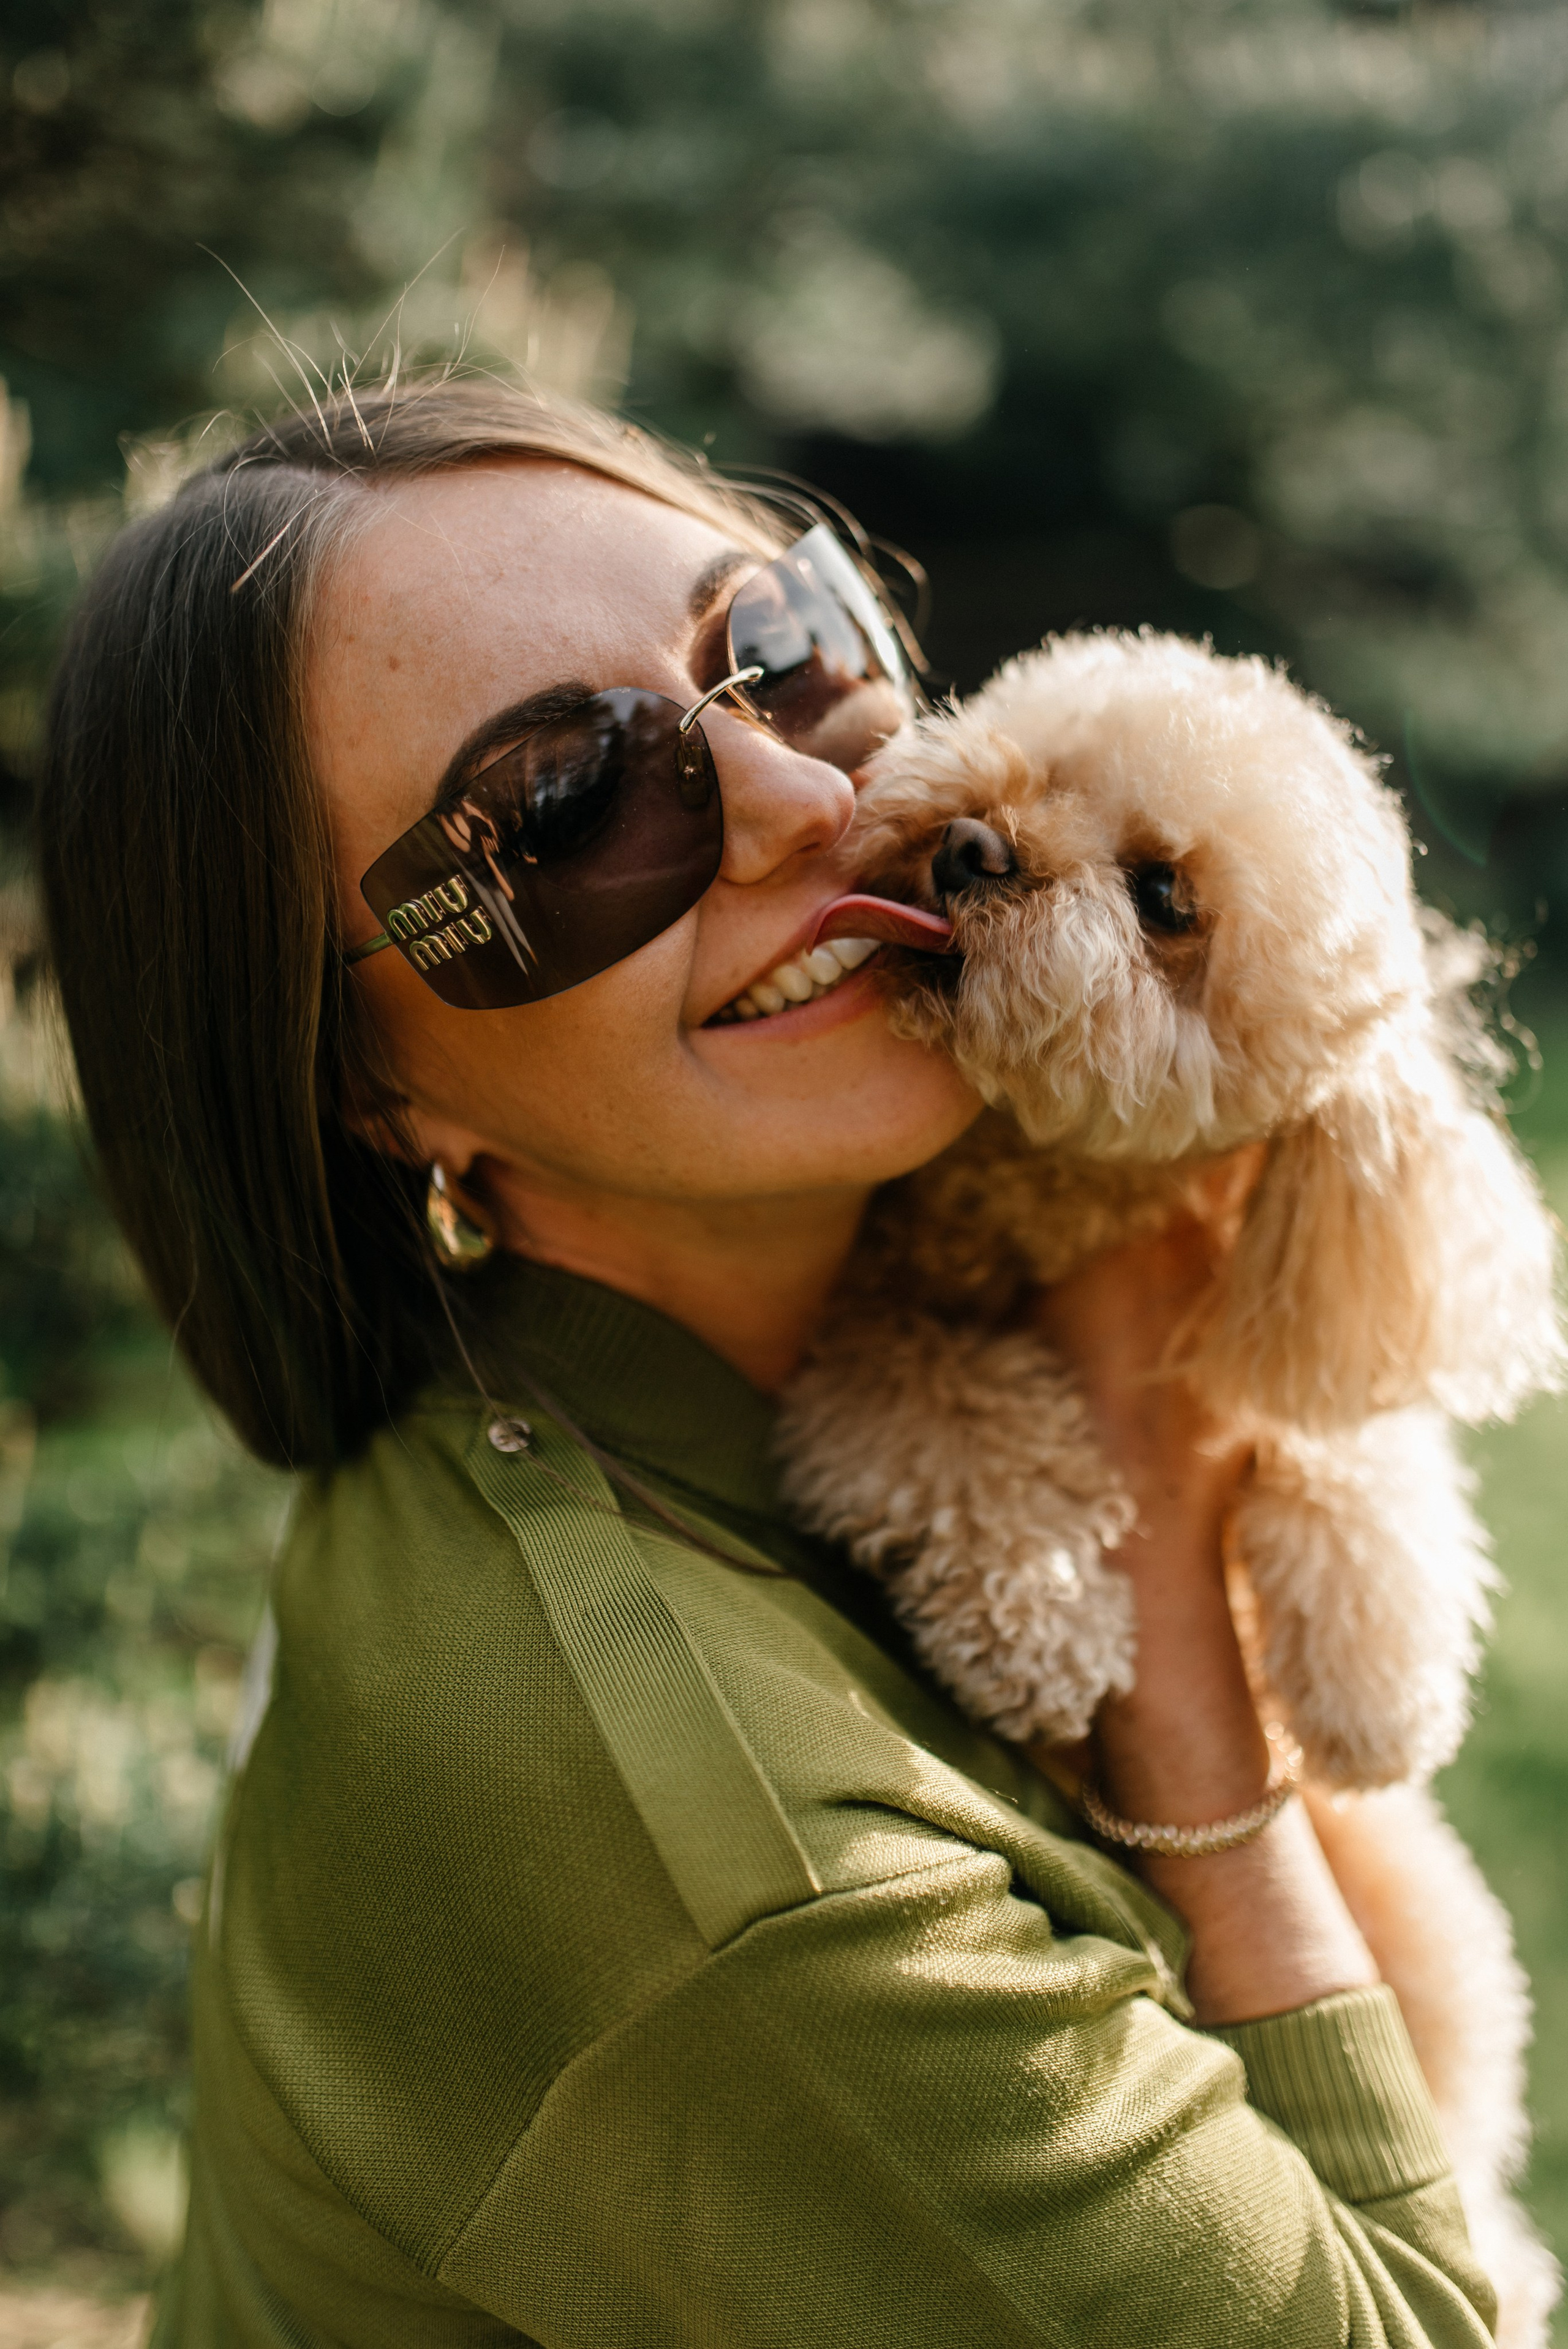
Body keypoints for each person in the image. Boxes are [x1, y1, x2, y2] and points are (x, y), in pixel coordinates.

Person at [39, 377, 1494, 2346]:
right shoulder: (712, 1847)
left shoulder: (633, 1399)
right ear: (368, 1090)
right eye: (566, 806)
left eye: (778, 646)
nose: (813, 807)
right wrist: (1184, 1675)